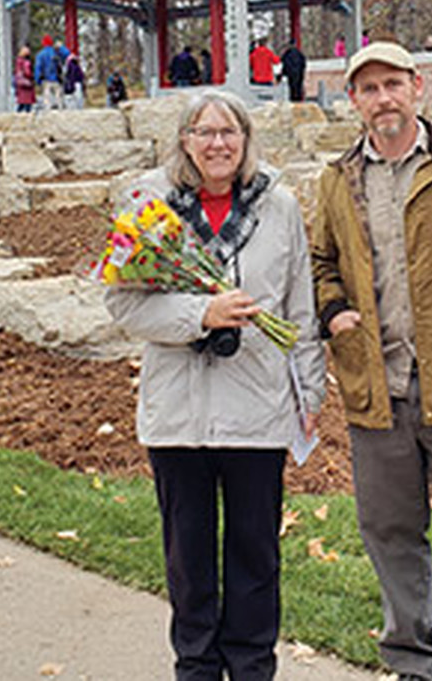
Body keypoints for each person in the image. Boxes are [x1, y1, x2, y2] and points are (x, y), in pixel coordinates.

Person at [105, 91, 324, 681]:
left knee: (256, 556)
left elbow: (299, 309)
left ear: (247, 140)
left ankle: (253, 669)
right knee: (189, 560)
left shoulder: (278, 208)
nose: (218, 143)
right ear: (184, 139)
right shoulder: (151, 208)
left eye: (230, 132)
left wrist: (310, 394)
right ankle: (196, 668)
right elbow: (122, 307)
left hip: (256, 408)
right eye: (204, 132)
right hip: (179, 414)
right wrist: (200, 315)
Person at [312, 42, 432, 681]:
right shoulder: (338, 181)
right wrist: (334, 310)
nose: (383, 99)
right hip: (377, 385)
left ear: (418, 88)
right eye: (368, 89)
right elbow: (321, 263)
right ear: (353, 100)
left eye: (393, 84)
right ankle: (412, 659)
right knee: (389, 533)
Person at [35, 35, 61, 110]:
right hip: (56, 79)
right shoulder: (56, 53)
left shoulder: (40, 55)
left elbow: (38, 67)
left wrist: (38, 80)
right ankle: (59, 110)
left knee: (47, 99)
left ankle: (48, 112)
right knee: (58, 97)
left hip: (46, 79)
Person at [13, 45, 36, 113]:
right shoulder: (26, 62)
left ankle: (17, 115)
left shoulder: (18, 61)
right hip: (26, 84)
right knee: (27, 104)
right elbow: (27, 72)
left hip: (21, 84)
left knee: (22, 103)